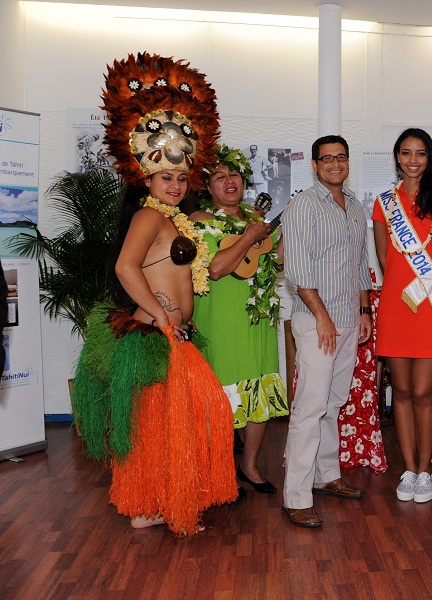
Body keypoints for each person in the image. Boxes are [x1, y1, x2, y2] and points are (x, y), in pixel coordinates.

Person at [71, 53, 235, 537]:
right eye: (167, 177)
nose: (176, 184)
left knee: (172, 425)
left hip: (173, 333)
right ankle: (159, 506)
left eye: (182, 178)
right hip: (155, 335)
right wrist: (158, 315)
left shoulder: (172, 218)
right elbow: (125, 267)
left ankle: (152, 505)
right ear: (147, 177)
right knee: (171, 424)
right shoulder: (148, 215)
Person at [282, 135, 373, 528]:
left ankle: (326, 475)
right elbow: (297, 270)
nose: (335, 164)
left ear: (348, 162)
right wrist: (322, 317)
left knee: (332, 404)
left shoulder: (354, 206)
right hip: (317, 321)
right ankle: (296, 497)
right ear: (315, 165)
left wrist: (365, 310)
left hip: (349, 319)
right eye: (327, 158)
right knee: (309, 407)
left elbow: (360, 264)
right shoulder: (303, 205)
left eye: (341, 157)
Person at [190, 144, 288, 495]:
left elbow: (277, 263)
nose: (229, 180)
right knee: (222, 396)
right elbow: (215, 269)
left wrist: (287, 236)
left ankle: (249, 466)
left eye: (234, 174)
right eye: (220, 176)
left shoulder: (253, 218)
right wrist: (249, 236)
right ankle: (218, 473)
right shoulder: (200, 221)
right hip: (220, 321)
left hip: (257, 319)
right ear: (208, 187)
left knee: (258, 390)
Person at [372, 128, 432, 504]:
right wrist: (406, 289)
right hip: (396, 308)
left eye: (421, 153)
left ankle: (425, 471)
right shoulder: (384, 203)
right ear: (397, 157)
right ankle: (408, 469)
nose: (413, 160)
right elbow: (384, 259)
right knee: (402, 391)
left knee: (424, 392)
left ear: (429, 158)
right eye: (406, 153)